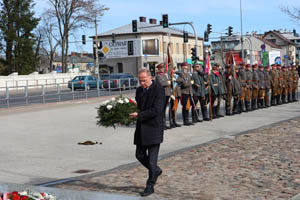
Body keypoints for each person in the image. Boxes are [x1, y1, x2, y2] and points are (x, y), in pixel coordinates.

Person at [129, 69, 165, 197]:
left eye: (144, 80)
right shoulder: (139, 90)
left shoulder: (158, 89)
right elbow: (138, 106)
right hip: (141, 129)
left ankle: (150, 186)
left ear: (150, 77)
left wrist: (140, 115)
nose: (142, 83)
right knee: (139, 155)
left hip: (154, 128)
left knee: (152, 160)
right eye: (140, 80)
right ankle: (156, 171)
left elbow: (157, 110)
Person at [155, 63, 171, 130]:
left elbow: (169, 81)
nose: (162, 69)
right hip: (162, 94)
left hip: (167, 94)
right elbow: (162, 83)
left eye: (163, 68)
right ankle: (161, 124)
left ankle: (164, 123)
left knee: (164, 110)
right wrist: (167, 83)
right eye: (161, 68)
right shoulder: (158, 76)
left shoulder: (164, 75)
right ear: (158, 69)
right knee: (162, 110)